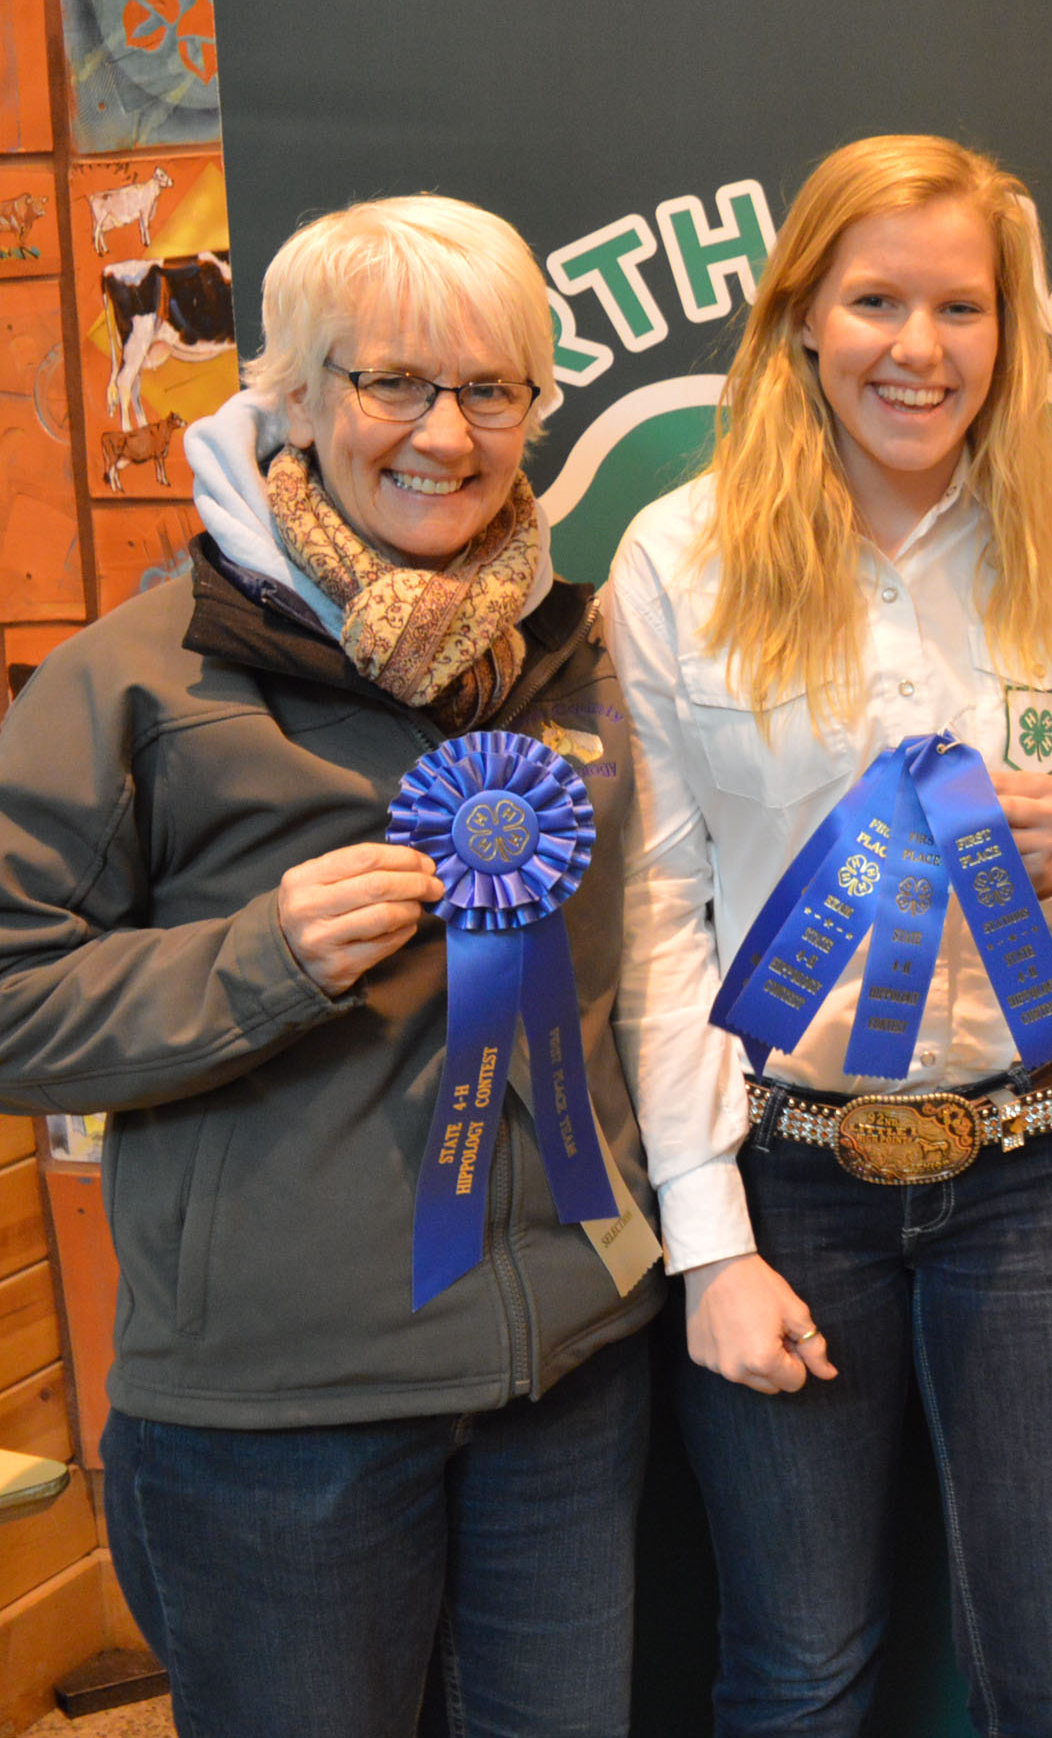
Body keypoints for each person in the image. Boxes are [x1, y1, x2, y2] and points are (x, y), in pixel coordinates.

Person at [0, 196, 661, 1735]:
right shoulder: (139, 676)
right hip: (277, 1424)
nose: (447, 434)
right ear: (292, 398)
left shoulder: (574, 660)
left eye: (494, 390)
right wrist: (261, 960)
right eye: (394, 385)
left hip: (564, 1384)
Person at [609, 134, 1052, 1736]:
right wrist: (710, 1245)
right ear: (799, 322)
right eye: (877, 301)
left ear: (1008, 330)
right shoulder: (680, 559)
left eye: (961, 307)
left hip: (1038, 1175)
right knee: (799, 1667)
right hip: (790, 1184)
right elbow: (656, 917)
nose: (920, 349)